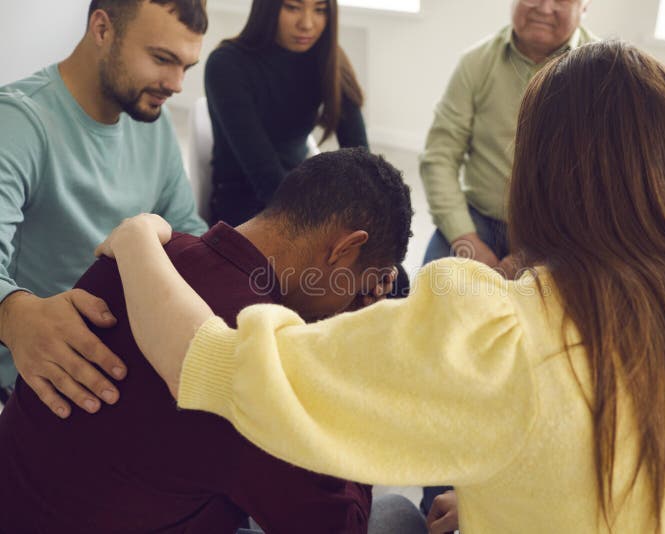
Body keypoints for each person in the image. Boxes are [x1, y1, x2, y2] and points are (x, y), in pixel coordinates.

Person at [100, 41, 665, 532]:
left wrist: (135, 237)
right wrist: (523, 487)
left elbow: (213, 364)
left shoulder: (496, 332)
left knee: (396, 514)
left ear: (535, 169)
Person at [0, 149, 413, 533]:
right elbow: (339, 525)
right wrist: (360, 367)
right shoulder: (263, 365)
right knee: (399, 516)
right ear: (345, 247)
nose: (353, 301)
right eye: (362, 282)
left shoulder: (142, 254)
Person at [0, 0, 209, 418]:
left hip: (129, 363)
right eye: (162, 59)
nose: (177, 84)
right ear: (102, 29)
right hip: (42, 378)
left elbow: (188, 231)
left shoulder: (152, 122)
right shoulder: (19, 122)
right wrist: (14, 315)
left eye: (186, 67)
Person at [419, 0, 594, 276]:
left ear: (586, 5)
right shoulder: (475, 63)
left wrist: (534, 252)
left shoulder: (604, 76)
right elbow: (439, 157)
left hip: (562, 234)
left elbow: (601, 184)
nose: (545, 8)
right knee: (428, 299)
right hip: (477, 219)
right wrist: (467, 240)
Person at [205, 0, 367, 227]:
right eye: (292, 7)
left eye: (320, 10)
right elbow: (265, 177)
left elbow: (362, 159)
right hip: (244, 207)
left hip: (298, 194)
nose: (307, 24)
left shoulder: (328, 57)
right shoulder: (226, 64)